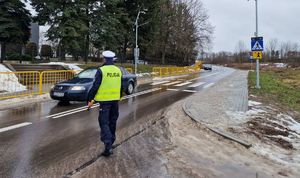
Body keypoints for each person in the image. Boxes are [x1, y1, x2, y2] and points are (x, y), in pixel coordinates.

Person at [87, 50, 122, 157]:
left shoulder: (101, 70)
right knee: (112, 121)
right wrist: (119, 96)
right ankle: (111, 142)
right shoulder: (118, 70)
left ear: (105, 59)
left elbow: (95, 86)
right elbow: (120, 86)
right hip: (115, 101)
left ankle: (108, 144)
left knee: (104, 122)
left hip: (105, 102)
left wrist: (89, 99)